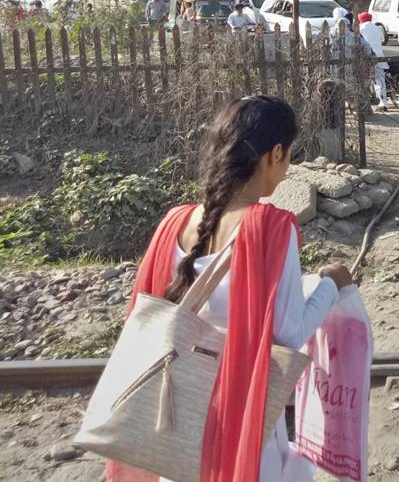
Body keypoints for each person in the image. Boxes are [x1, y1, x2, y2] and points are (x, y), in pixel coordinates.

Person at [113, 96, 354, 482]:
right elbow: (287, 335)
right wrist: (330, 286)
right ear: (275, 153)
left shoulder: (175, 222)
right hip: (240, 420)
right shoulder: (271, 228)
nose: (287, 167)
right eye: (289, 156)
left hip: (174, 415)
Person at [358, 11, 389, 111]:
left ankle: (366, 104)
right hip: (380, 55)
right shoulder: (377, 27)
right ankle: (383, 103)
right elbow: (383, 39)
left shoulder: (361, 28)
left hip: (368, 56)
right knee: (380, 80)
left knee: (365, 80)